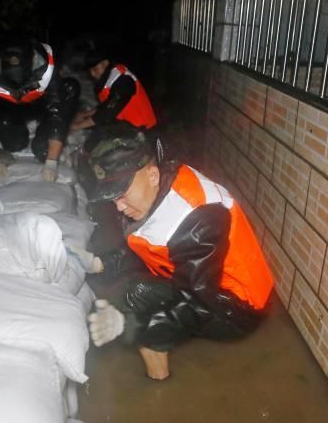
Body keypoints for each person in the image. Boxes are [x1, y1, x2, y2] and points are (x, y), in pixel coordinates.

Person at [85, 124, 274, 380]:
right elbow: (148, 245)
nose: (118, 206)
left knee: (140, 299)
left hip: (236, 307)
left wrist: (130, 325)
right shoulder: (156, 189)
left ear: (152, 175)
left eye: (122, 193)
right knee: (138, 294)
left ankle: (158, 388)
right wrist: (100, 263)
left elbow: (194, 301)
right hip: (202, 284)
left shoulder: (197, 218)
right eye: (112, 198)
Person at [0, 35, 80, 181]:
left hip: (39, 104)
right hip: (6, 107)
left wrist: (51, 162)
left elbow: (56, 111)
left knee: (44, 151)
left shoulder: (47, 68)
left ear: (33, 60)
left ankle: (43, 138)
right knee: (14, 144)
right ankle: (16, 130)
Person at [70, 51, 156, 131]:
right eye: (90, 71)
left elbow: (108, 112)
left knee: (97, 139)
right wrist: (85, 115)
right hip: (128, 126)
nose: (92, 74)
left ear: (106, 63)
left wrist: (78, 126)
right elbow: (106, 105)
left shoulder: (123, 81)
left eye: (95, 69)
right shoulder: (109, 78)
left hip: (144, 131)